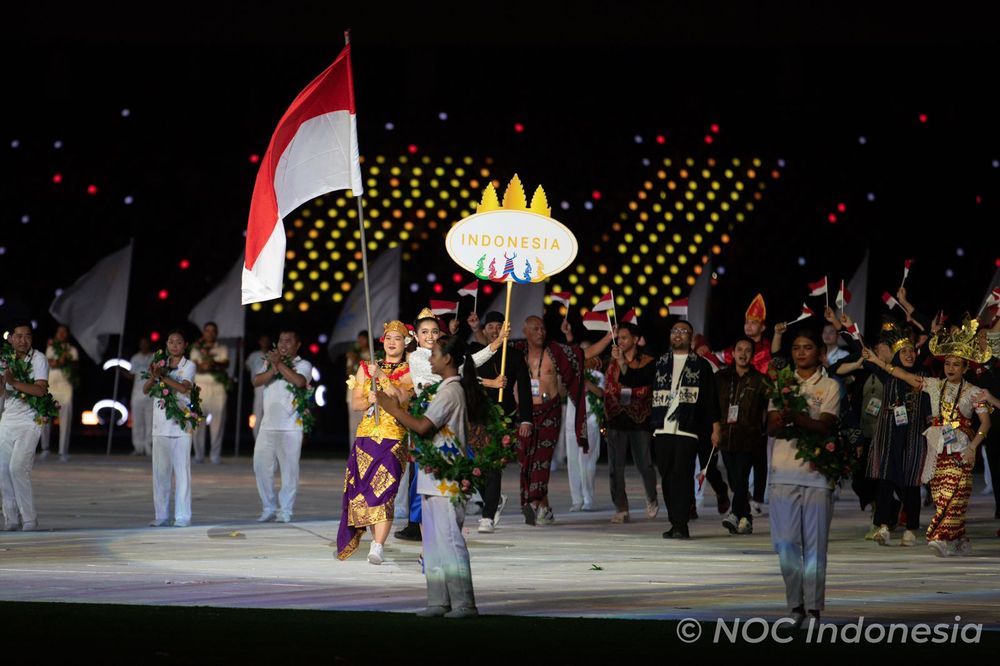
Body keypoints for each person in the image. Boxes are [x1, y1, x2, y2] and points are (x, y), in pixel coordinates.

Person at [377, 335, 481, 618]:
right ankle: (438, 601)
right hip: (432, 476)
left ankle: (463, 603)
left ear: (448, 359)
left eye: (434, 353)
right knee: (434, 545)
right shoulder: (442, 389)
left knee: (449, 541)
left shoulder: (450, 391)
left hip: (447, 476)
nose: (430, 358)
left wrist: (393, 410)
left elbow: (423, 426)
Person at [880, 316, 992, 556]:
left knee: (955, 493)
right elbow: (906, 377)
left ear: (965, 368)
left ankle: (940, 537)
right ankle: (960, 538)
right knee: (942, 496)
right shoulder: (933, 385)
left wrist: (973, 447)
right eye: (947, 364)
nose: (950, 368)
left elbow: (986, 422)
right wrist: (882, 365)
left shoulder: (973, 392)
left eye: (956, 365)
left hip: (961, 448)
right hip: (937, 447)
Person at [396, 309, 503, 541]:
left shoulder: (444, 359)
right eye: (424, 332)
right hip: (427, 415)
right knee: (423, 473)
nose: (430, 336)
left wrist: (495, 346)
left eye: (434, 331)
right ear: (416, 336)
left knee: (459, 461)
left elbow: (463, 367)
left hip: (448, 414)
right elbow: (451, 373)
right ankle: (420, 524)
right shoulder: (417, 358)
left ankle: (467, 507)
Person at [766, 328, 840, 625]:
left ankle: (813, 608)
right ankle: (794, 603)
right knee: (785, 543)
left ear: (820, 353)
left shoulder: (830, 386)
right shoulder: (781, 385)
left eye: (807, 347)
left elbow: (825, 427)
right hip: (782, 472)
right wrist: (803, 422)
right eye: (796, 347)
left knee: (815, 545)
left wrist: (796, 419)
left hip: (817, 475)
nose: (800, 352)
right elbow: (772, 427)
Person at [515, 315, 613, 525]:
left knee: (542, 459)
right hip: (524, 414)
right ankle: (544, 508)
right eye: (535, 329)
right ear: (525, 332)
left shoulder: (555, 351)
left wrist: (608, 336)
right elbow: (488, 351)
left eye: (542, 328)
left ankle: (533, 501)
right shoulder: (515, 352)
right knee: (528, 461)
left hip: (549, 412)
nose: (540, 332)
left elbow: (584, 354)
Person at [337, 320, 414, 564]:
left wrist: (384, 379)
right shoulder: (366, 368)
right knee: (367, 493)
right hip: (367, 436)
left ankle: (378, 545)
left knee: (385, 491)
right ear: (382, 341)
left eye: (398, 338)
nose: (392, 343)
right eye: (389, 338)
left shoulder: (411, 369)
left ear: (405, 342)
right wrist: (370, 399)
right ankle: (375, 541)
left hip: (393, 437)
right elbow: (356, 404)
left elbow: (402, 399)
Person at [856, 319, 928, 547]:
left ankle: (911, 528)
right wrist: (845, 327)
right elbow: (862, 353)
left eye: (911, 351)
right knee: (886, 480)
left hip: (914, 435)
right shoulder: (887, 374)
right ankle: (883, 526)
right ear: (896, 355)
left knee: (911, 482)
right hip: (890, 434)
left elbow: (925, 350)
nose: (908, 355)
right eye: (903, 351)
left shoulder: (922, 374)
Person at [652, 319, 722, 539]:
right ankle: (675, 521)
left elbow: (711, 400)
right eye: (675, 331)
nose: (678, 335)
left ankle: (682, 523)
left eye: (683, 331)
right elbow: (634, 378)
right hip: (662, 428)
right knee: (666, 477)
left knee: (682, 476)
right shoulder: (659, 363)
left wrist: (715, 428)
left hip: (687, 429)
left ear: (691, 338)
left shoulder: (701, 365)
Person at [468, 310, 531, 533]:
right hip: (476, 416)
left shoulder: (513, 356)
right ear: (484, 330)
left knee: (493, 464)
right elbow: (465, 379)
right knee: (474, 466)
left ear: (506, 329)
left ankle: (487, 516)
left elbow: (523, 389)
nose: (495, 330)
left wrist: (526, 420)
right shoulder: (475, 352)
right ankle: (493, 500)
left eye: (499, 326)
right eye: (491, 326)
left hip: (502, 415)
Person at [252, 329, 312, 524]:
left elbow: (299, 381)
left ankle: (285, 510)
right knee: (261, 467)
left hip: (291, 427)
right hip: (267, 426)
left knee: (289, 472)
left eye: (288, 341)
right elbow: (257, 380)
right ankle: (268, 508)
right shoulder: (268, 362)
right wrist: (273, 366)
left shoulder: (303, 364)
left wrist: (277, 364)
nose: (283, 344)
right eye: (280, 340)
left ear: (297, 345)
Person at [604, 322, 659, 523]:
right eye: (619, 337)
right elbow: (608, 387)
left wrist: (624, 391)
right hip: (616, 419)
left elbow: (645, 388)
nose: (621, 341)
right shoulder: (610, 361)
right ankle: (621, 507)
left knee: (644, 464)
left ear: (635, 339)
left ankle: (651, 497)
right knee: (615, 468)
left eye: (625, 337)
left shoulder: (647, 361)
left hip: (639, 419)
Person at [144, 329, 198, 528]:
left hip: (181, 425)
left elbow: (184, 388)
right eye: (171, 342)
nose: (174, 345)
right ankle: (161, 515)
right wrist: (154, 376)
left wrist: (163, 377)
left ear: (185, 346)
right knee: (160, 473)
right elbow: (145, 389)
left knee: (182, 472)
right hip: (160, 425)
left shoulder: (189, 365)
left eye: (179, 342)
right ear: (166, 344)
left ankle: (183, 516)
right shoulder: (160, 364)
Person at [0, 321, 50, 531]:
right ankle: (11, 518)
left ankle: (29, 518)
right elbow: (2, 392)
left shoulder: (38, 358)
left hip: (30, 420)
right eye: (19, 336)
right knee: (2, 470)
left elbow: (41, 391)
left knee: (18, 467)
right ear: (11, 338)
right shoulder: (4, 359)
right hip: (7, 419)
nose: (23, 340)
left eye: (27, 336)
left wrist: (14, 382)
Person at [716, 336, 769, 535]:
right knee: (735, 479)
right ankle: (746, 517)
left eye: (748, 350)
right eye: (740, 349)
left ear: (753, 355)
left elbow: (769, 408)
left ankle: (734, 514)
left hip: (749, 437)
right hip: (725, 436)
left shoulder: (760, 380)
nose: (743, 353)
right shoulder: (721, 378)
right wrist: (714, 430)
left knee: (742, 476)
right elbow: (712, 406)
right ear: (733, 352)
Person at [564, 345, 605, 512]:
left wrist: (588, 383)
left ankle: (588, 498)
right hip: (571, 421)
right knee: (573, 461)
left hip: (590, 420)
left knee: (586, 462)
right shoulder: (570, 374)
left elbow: (602, 394)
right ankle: (577, 499)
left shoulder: (597, 376)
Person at [190, 322, 230, 464]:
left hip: (218, 388)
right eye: (207, 330)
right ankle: (199, 455)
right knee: (197, 422)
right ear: (204, 332)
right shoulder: (196, 349)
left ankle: (215, 455)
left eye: (213, 331)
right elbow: (197, 367)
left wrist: (210, 363)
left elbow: (224, 364)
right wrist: (211, 364)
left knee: (218, 423)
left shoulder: (222, 348)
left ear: (217, 333)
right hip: (199, 387)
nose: (210, 333)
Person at [41, 324, 78, 461]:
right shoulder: (50, 348)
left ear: (67, 334)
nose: (61, 334)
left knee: (65, 419)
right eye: (59, 331)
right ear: (56, 333)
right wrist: (60, 360)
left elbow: (74, 365)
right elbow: (49, 363)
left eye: (64, 332)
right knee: (45, 417)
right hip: (50, 386)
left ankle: (63, 451)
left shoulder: (72, 350)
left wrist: (64, 359)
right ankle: (45, 448)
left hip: (65, 387)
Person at [127, 337, 155, 456]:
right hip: (137, 394)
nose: (144, 345)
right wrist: (120, 371)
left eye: (146, 343)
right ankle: (138, 447)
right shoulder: (135, 358)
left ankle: (149, 447)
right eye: (142, 343)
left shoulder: (154, 357)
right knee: (137, 421)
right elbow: (132, 375)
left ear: (149, 345)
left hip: (151, 393)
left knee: (150, 421)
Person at [344, 330, 370, 449]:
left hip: (366, 394)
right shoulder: (353, 354)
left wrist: (357, 357)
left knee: (365, 423)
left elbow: (369, 370)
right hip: (352, 393)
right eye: (359, 340)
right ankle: (353, 451)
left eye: (363, 339)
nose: (360, 342)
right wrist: (352, 359)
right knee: (353, 426)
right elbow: (348, 373)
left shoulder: (372, 354)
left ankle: (365, 450)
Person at [245, 334, 271, 440]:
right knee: (258, 414)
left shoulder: (272, 355)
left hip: (271, 386)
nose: (264, 343)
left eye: (266, 340)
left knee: (269, 414)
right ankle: (257, 440)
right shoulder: (254, 355)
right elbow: (246, 367)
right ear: (259, 342)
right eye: (262, 340)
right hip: (259, 388)